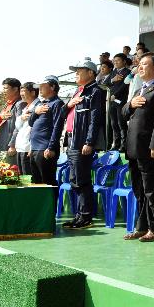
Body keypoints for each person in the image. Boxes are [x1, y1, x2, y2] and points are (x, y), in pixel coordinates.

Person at [122, 52, 154, 242]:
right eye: (139, 64)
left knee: (152, 191)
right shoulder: (138, 91)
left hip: (151, 149)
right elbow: (123, 113)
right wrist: (130, 104)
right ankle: (141, 227)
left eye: (145, 64)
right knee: (139, 191)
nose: (140, 67)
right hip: (134, 149)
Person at [62, 57, 106, 230]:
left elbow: (95, 119)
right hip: (72, 139)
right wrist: (68, 105)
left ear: (90, 73)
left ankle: (86, 216)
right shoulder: (78, 91)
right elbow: (64, 113)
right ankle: (78, 215)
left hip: (82, 142)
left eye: (79, 70)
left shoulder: (95, 91)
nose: (76, 73)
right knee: (74, 179)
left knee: (82, 180)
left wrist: (89, 142)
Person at [29, 76, 66, 186]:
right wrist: (35, 112)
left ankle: (52, 203)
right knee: (37, 183)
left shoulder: (57, 103)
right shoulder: (40, 104)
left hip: (45, 149)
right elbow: (30, 123)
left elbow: (57, 127)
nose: (39, 89)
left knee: (47, 182)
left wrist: (51, 147)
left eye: (43, 86)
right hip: (35, 148)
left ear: (52, 86)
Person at [12, 82, 39, 181]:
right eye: (21, 91)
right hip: (21, 147)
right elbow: (18, 126)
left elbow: (37, 129)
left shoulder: (38, 106)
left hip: (28, 148)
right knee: (23, 179)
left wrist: (33, 146)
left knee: (29, 180)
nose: (21, 94)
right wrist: (21, 118)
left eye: (24, 91)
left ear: (32, 92)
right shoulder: (26, 107)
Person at [0, 78, 24, 164]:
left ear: (15, 89)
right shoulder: (8, 103)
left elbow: (19, 126)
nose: (3, 90)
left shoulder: (20, 104)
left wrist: (13, 145)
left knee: (11, 173)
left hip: (11, 147)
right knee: (1, 173)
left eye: (5, 88)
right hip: (2, 145)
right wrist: (1, 117)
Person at [107, 53, 131, 151]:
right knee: (113, 123)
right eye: (114, 60)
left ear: (124, 61)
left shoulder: (128, 72)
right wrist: (113, 79)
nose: (115, 62)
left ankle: (124, 145)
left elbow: (125, 86)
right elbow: (105, 83)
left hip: (121, 100)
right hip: (112, 101)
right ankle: (116, 144)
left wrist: (115, 95)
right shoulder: (113, 72)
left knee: (122, 123)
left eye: (118, 60)